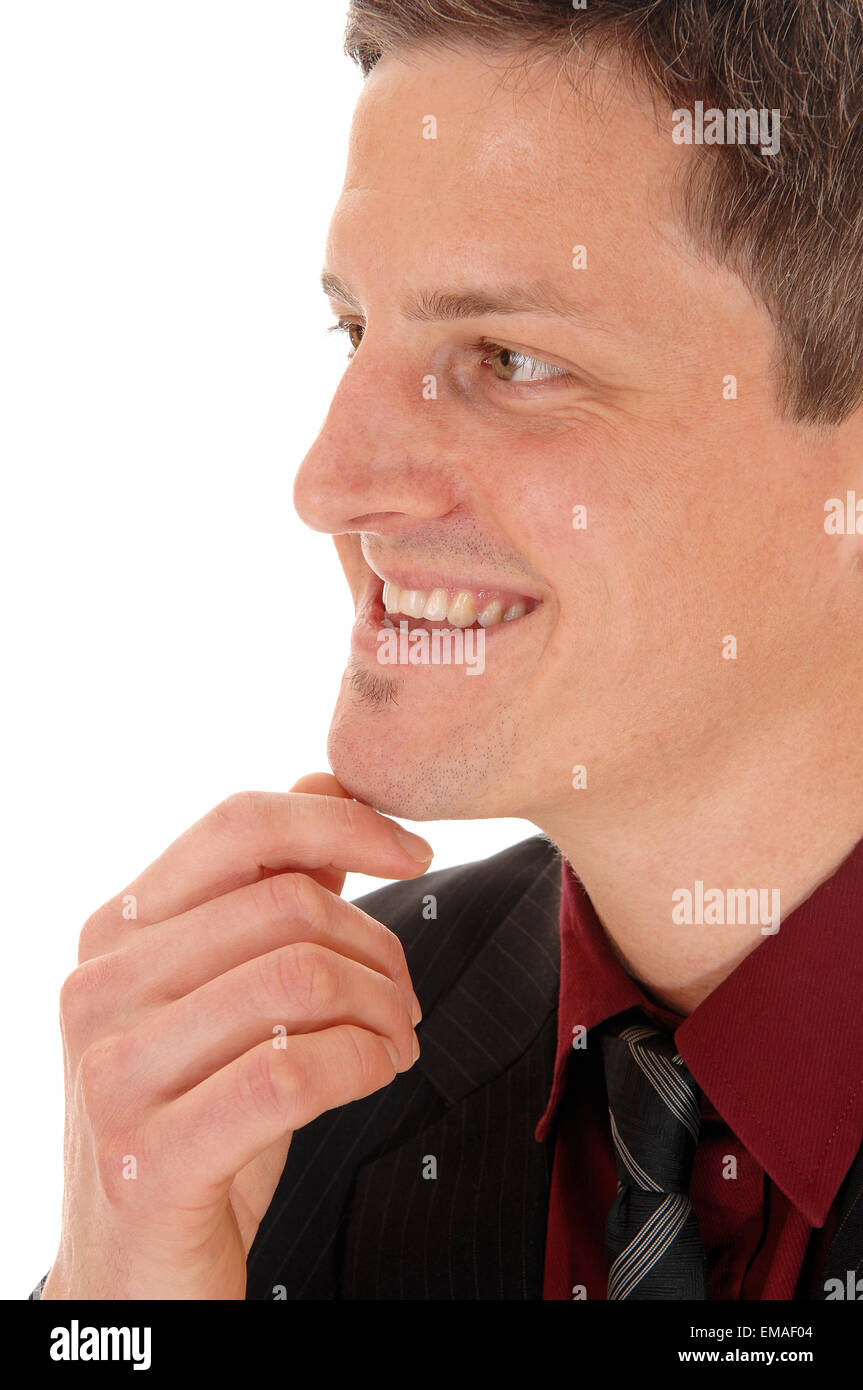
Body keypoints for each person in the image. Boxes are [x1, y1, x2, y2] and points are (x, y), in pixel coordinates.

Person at [34, 0, 863, 1300]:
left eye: (512, 358)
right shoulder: (291, 1083)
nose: (329, 483)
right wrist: (114, 1307)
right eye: (355, 331)